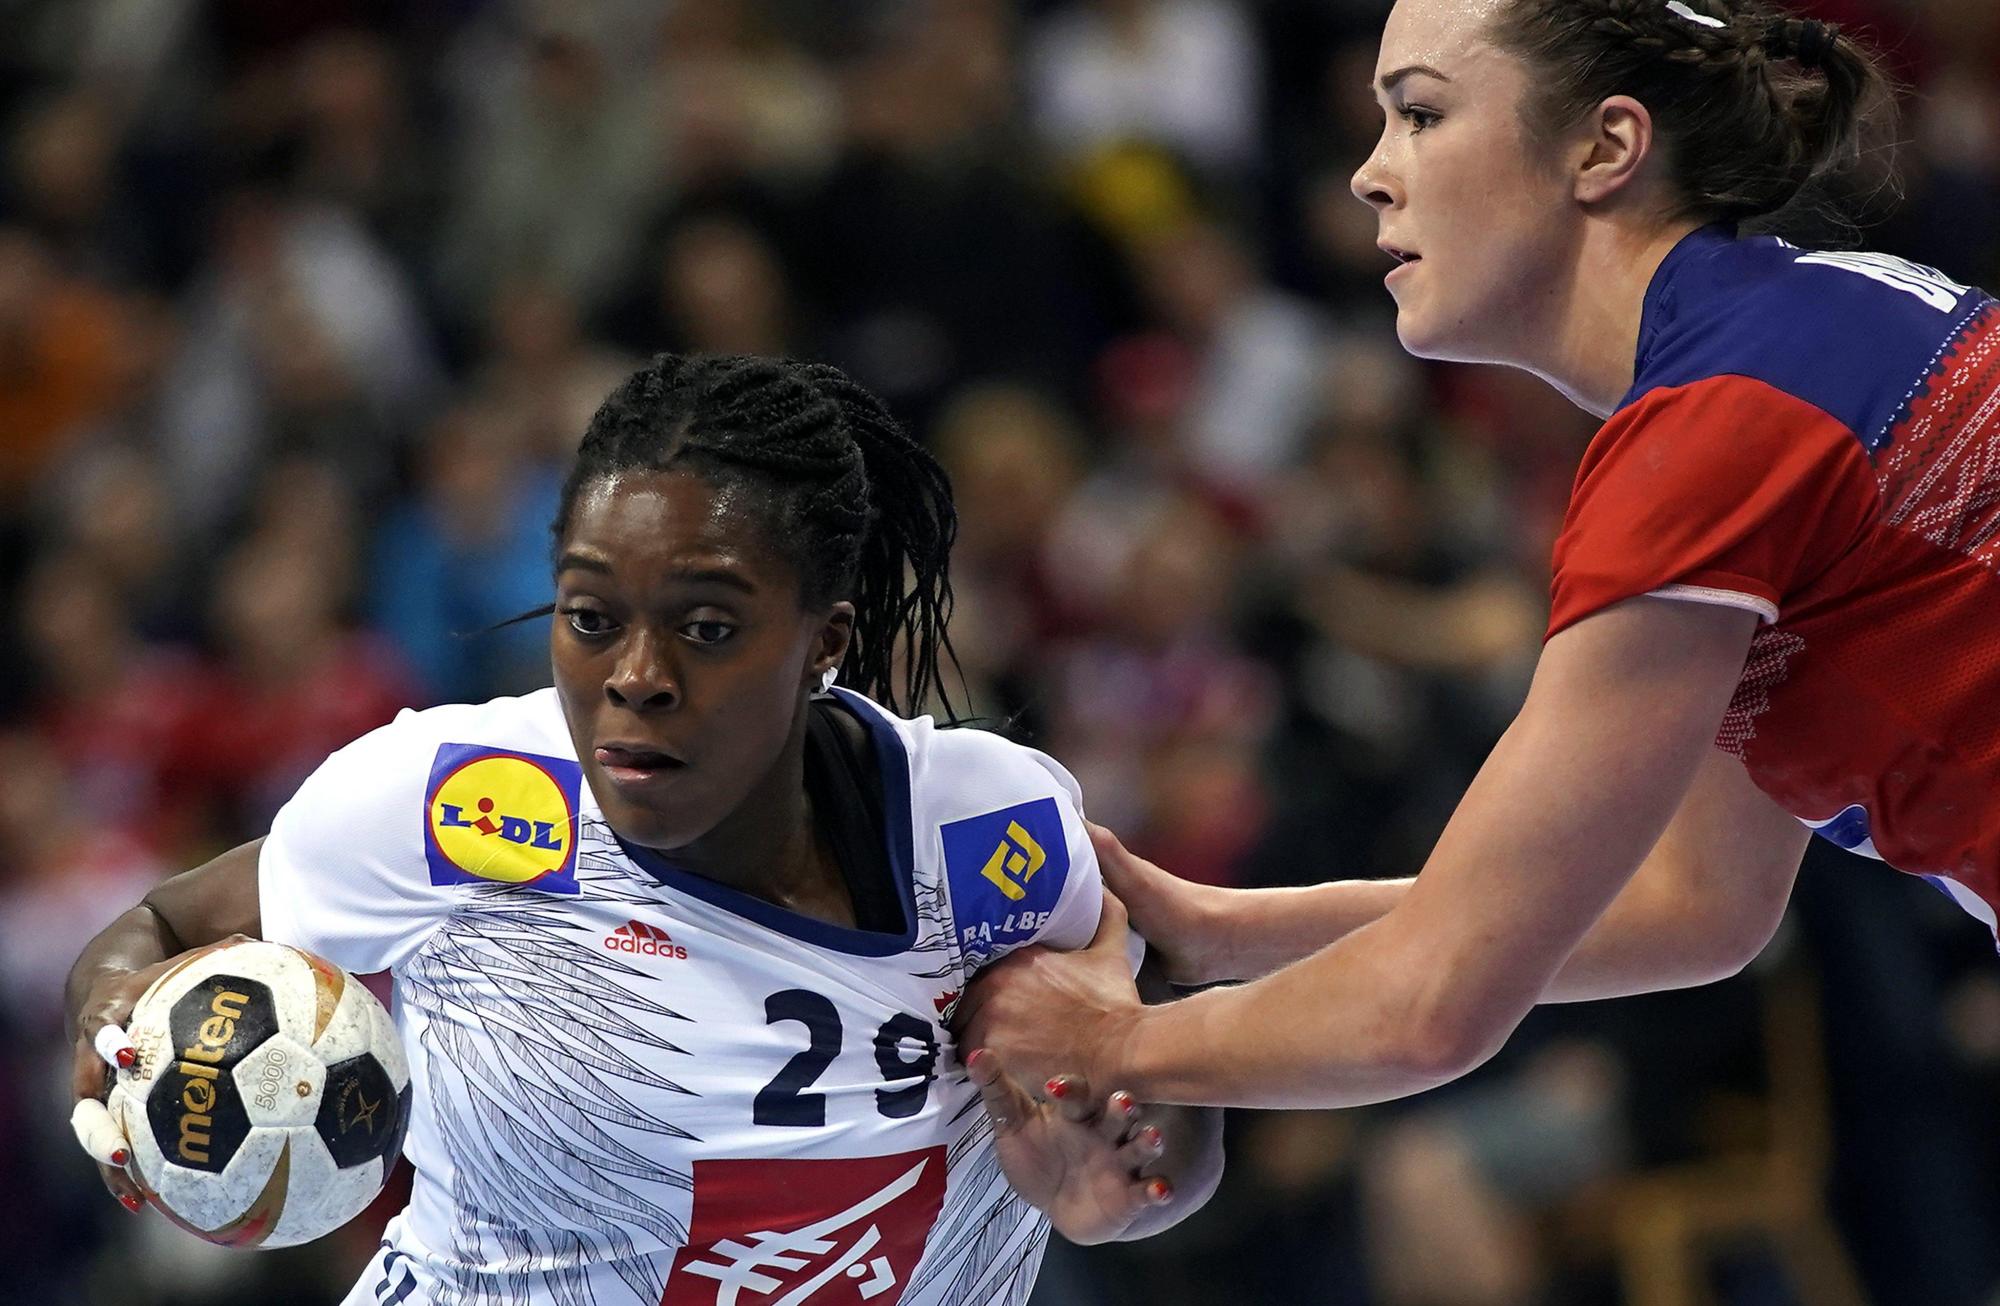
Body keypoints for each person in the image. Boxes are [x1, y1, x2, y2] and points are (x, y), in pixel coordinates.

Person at [958, 0, 2000, 1111]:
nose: (1367, 173)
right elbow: (1685, 897)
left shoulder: (1719, 427)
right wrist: (1220, 932)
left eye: (1418, 113)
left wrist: (1106, 1048)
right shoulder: (1801, 328)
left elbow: (1427, 1007)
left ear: (1603, 148)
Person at [65, 353, 1222, 1304]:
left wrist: (1139, 1164)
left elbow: (1158, 1121)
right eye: (588, 617)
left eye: (706, 626)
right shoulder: (458, 802)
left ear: (824, 640)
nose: (635, 678)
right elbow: (165, 918)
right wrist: (117, 1008)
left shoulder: (986, 834)